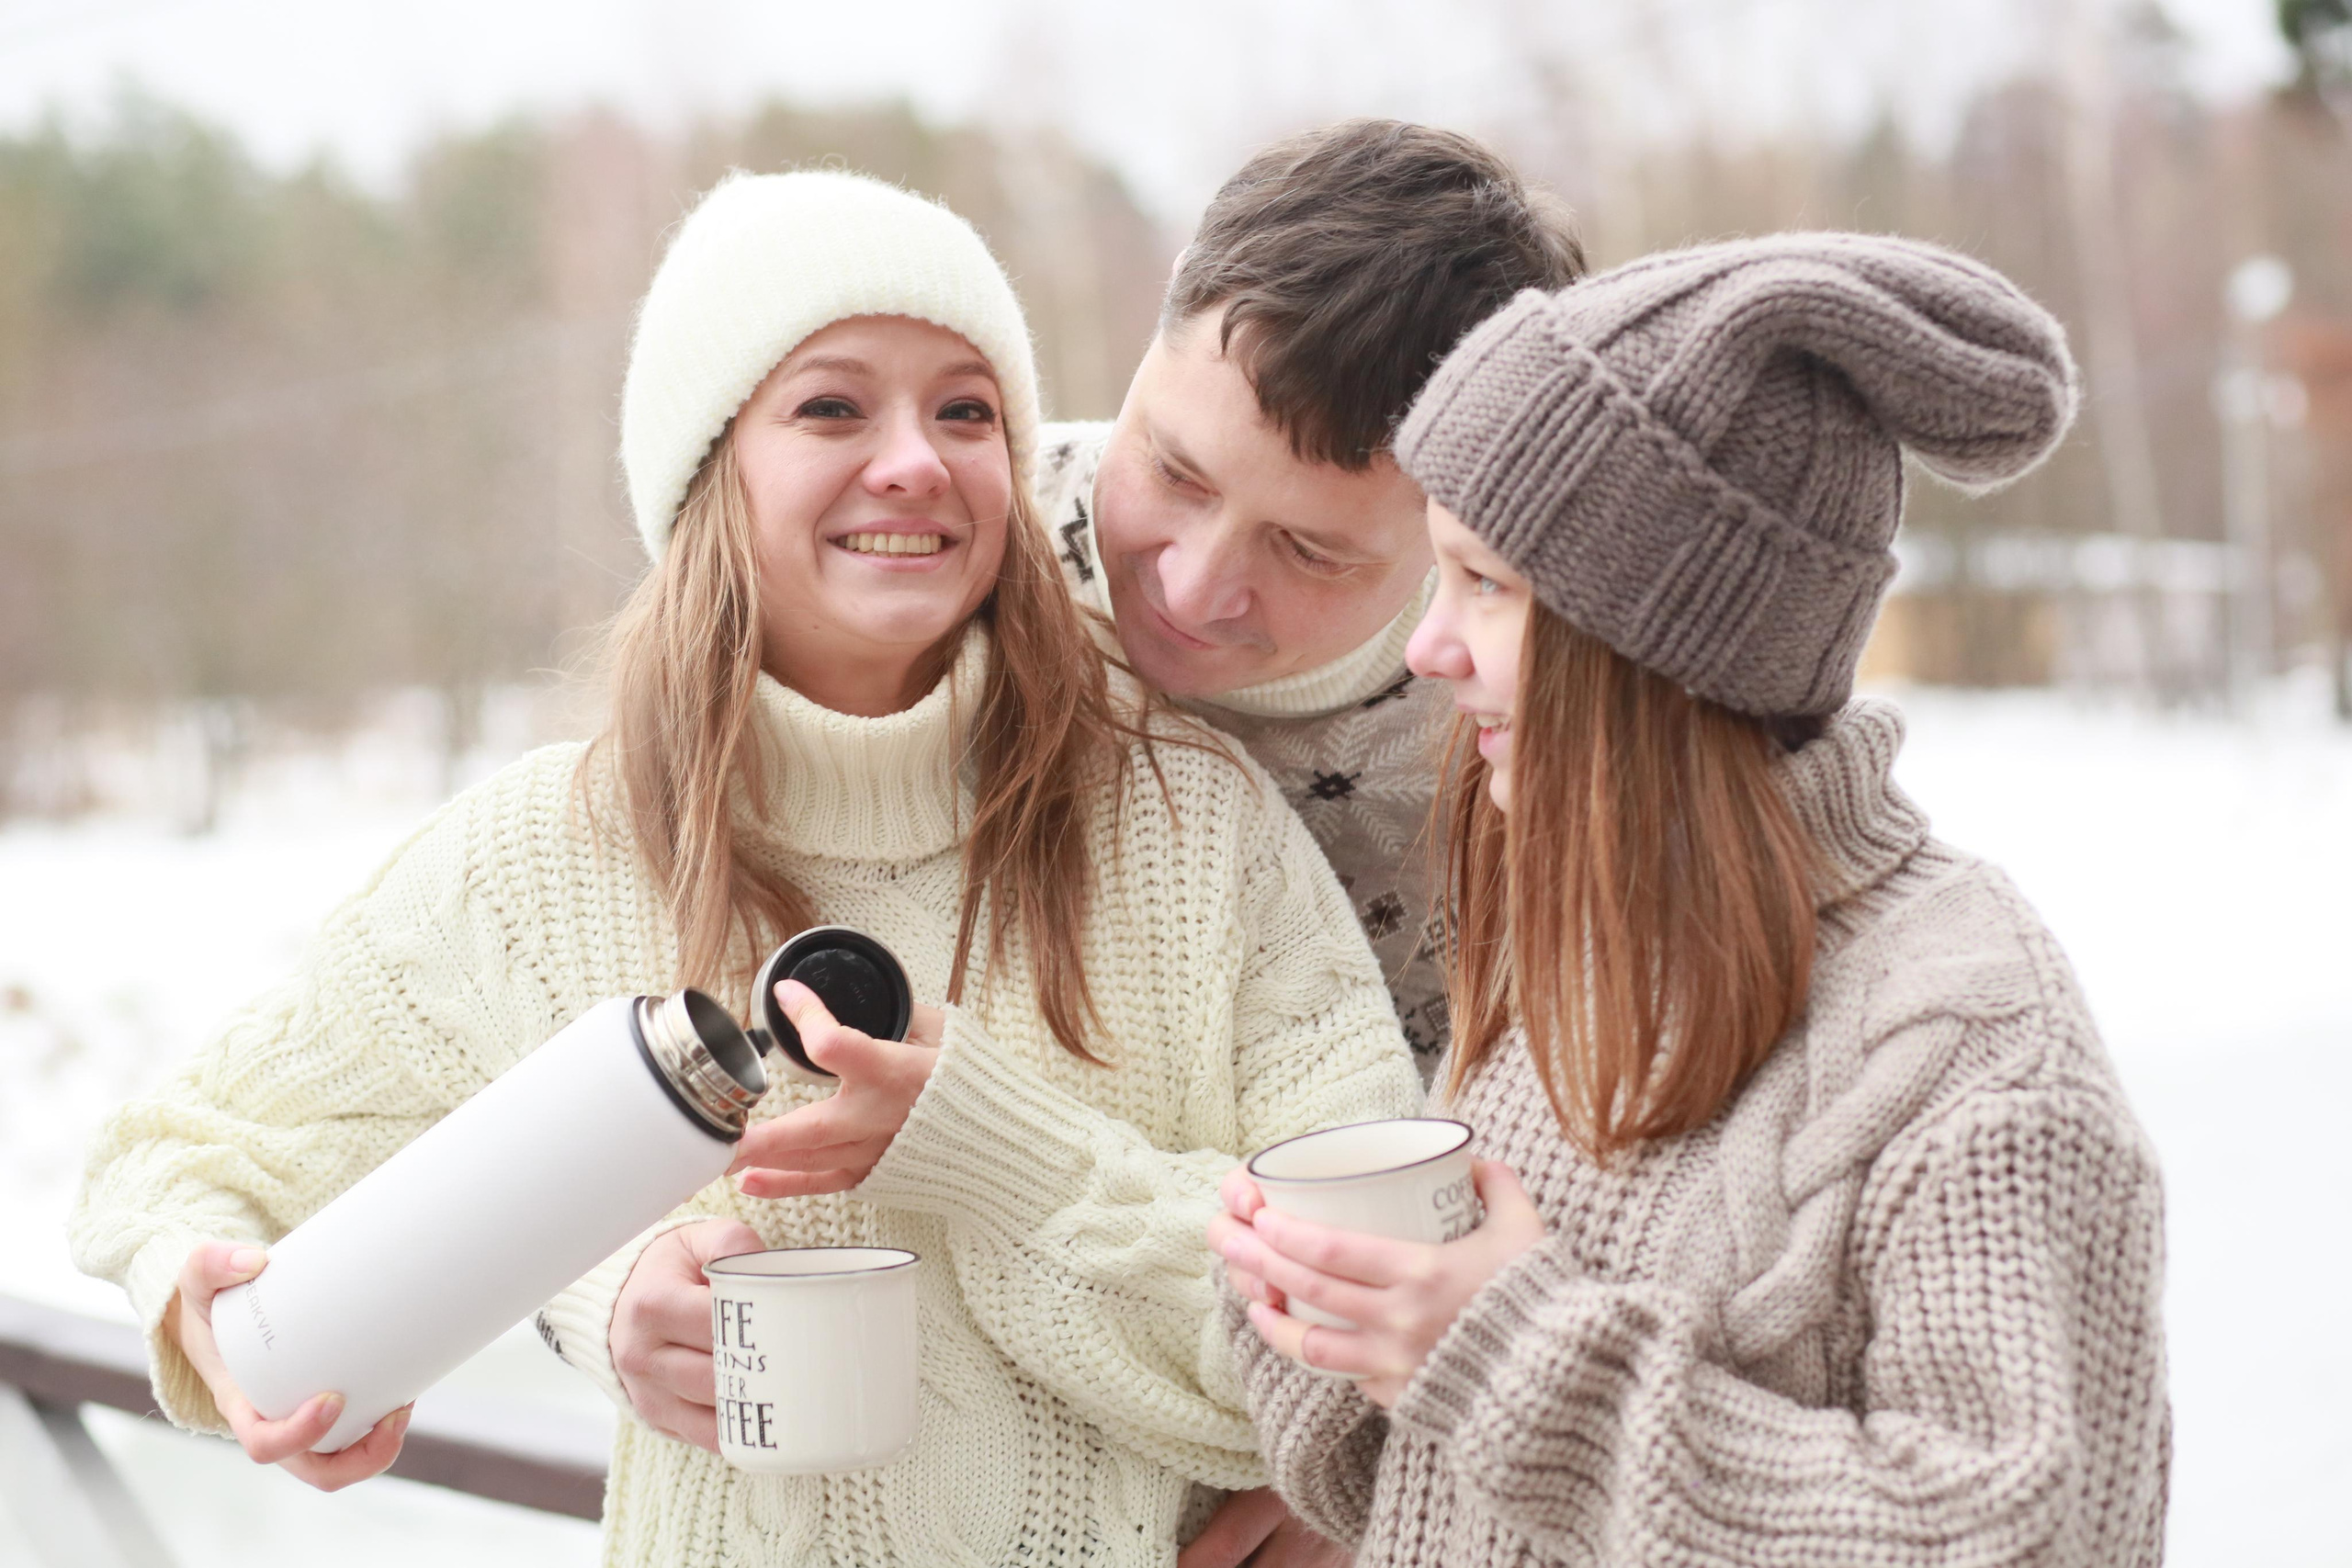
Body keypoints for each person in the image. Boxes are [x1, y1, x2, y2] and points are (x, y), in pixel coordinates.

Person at [70, 170, 1424, 1566]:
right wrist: (541, 1298)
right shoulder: (543, 856)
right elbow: (175, 1161)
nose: (913, 458)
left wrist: (989, 1146)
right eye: (833, 406)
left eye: (965, 410)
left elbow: (1368, 1337)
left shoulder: (1194, 828)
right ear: (711, 464)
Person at [1210, 234, 2170, 1566]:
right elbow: (1481, 1487)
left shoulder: (1967, 1036)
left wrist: (1512, 1358)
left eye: (1486, 582)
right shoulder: (1591, 939)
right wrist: (1329, 1322)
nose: (1431, 647)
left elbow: (2026, 1538)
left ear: (1657, 647)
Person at [1038, 118, 1586, 1070]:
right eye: (1176, 473)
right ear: (1167, 305)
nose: (1193, 588)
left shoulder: (1523, 746)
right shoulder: (947, 551)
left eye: (1309, 553)